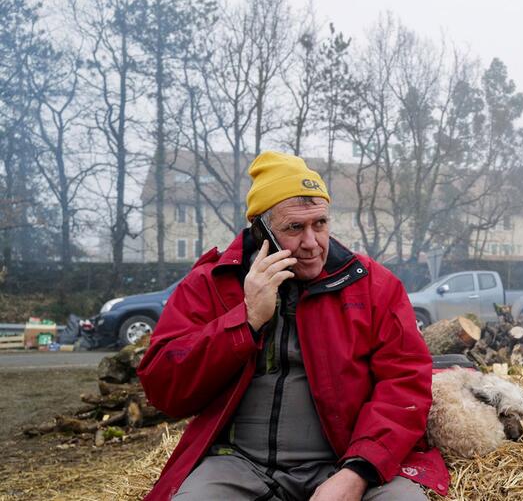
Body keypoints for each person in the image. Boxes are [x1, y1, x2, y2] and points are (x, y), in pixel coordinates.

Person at [137, 151, 447, 500]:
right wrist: (247, 319)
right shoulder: (211, 284)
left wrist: (357, 472)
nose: (312, 243)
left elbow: (405, 383)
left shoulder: (375, 286)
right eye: (294, 228)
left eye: (320, 224)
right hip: (239, 465)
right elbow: (164, 389)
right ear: (262, 231)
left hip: (349, 460)